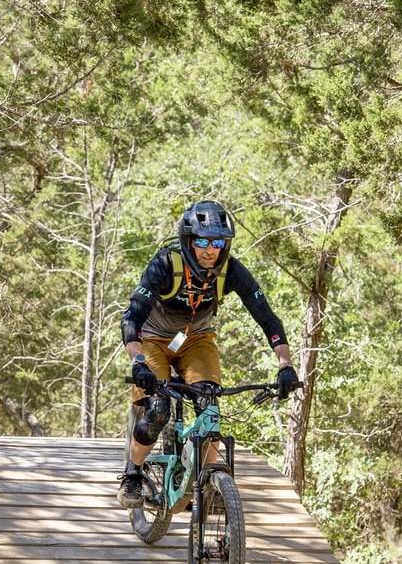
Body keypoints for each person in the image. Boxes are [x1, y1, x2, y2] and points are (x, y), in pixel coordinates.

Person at [117, 199, 298, 509]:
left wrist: (285, 365)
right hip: (154, 339)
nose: (210, 249)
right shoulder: (165, 265)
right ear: (189, 240)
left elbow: (267, 318)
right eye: (202, 241)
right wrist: (138, 362)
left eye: (218, 242)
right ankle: (132, 474)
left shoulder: (231, 271)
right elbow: (131, 318)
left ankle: (207, 483)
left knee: (209, 405)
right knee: (158, 409)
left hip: (196, 338)